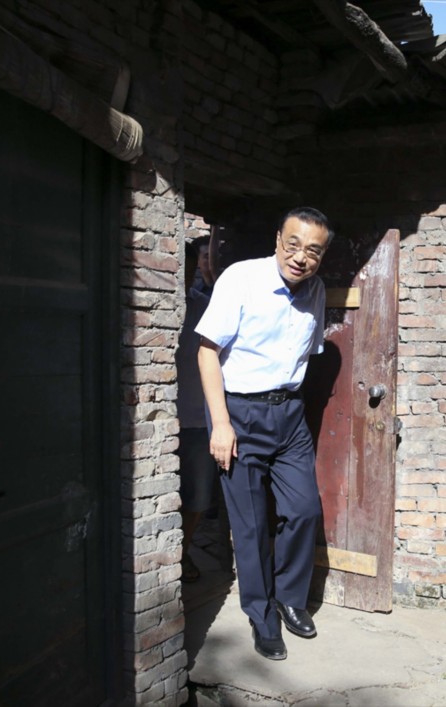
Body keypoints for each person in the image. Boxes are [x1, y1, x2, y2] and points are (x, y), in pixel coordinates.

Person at [195, 206, 333, 660]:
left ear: (321, 256)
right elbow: (207, 352)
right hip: (239, 414)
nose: (301, 257)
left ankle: (291, 599)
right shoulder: (241, 279)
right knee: (251, 525)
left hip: (289, 414)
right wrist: (221, 423)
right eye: (293, 245)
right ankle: (262, 615)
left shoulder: (315, 290)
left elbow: (306, 354)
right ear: (277, 240)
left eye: (313, 251)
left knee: (304, 510)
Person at [176, 242, 217, 582]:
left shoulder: (205, 308)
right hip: (163, 421)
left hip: (198, 420)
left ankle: (181, 553)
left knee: (198, 499)